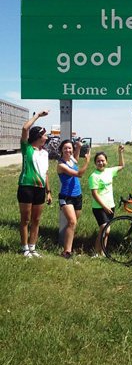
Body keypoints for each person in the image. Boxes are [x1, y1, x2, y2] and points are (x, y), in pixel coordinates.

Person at [17, 110, 52, 258]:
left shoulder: (45, 153)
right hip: (26, 187)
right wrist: (38, 115)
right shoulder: (27, 148)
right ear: (38, 136)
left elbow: (46, 173)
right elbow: (25, 129)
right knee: (25, 219)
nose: (46, 136)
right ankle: (25, 248)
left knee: (36, 219)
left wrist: (48, 191)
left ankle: (33, 247)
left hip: (40, 189)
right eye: (44, 134)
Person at [88, 145, 125, 257]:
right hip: (99, 207)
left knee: (106, 231)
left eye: (103, 161)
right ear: (95, 163)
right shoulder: (93, 176)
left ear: (106, 162)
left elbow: (121, 166)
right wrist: (104, 206)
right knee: (105, 229)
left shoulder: (109, 171)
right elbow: (94, 194)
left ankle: (102, 252)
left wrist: (120, 153)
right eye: (98, 161)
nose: (101, 163)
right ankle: (95, 252)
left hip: (111, 206)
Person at [57, 138, 91, 259]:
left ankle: (69, 247)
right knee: (72, 222)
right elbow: (79, 174)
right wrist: (87, 162)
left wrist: (78, 147)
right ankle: (67, 252)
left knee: (73, 224)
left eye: (69, 148)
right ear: (61, 149)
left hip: (78, 196)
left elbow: (75, 159)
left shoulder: (71, 159)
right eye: (65, 148)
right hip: (66, 197)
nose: (68, 150)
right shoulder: (61, 164)